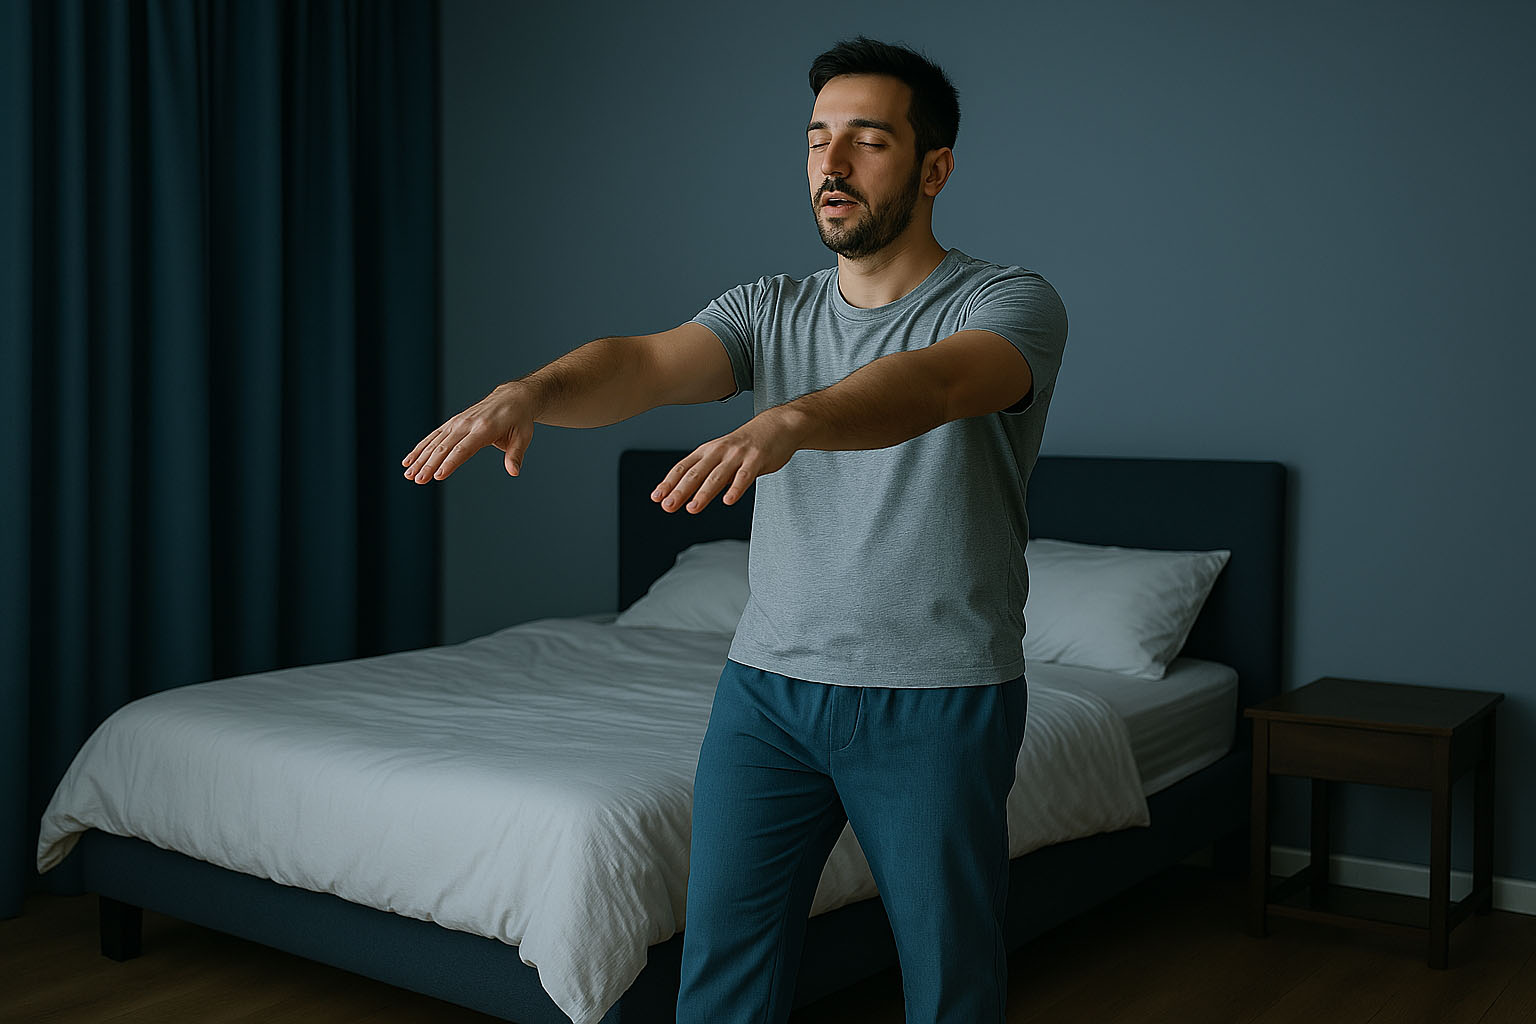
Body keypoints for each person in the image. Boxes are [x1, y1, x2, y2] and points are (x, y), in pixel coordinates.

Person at [403, 35, 1067, 1024]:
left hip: (937, 696)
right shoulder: (770, 310)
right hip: (768, 695)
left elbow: (931, 386)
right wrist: (532, 393)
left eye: (867, 141)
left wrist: (793, 419)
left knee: (950, 978)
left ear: (934, 168)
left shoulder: (1006, 302)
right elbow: (639, 363)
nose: (832, 166)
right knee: (724, 973)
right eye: (817, 140)